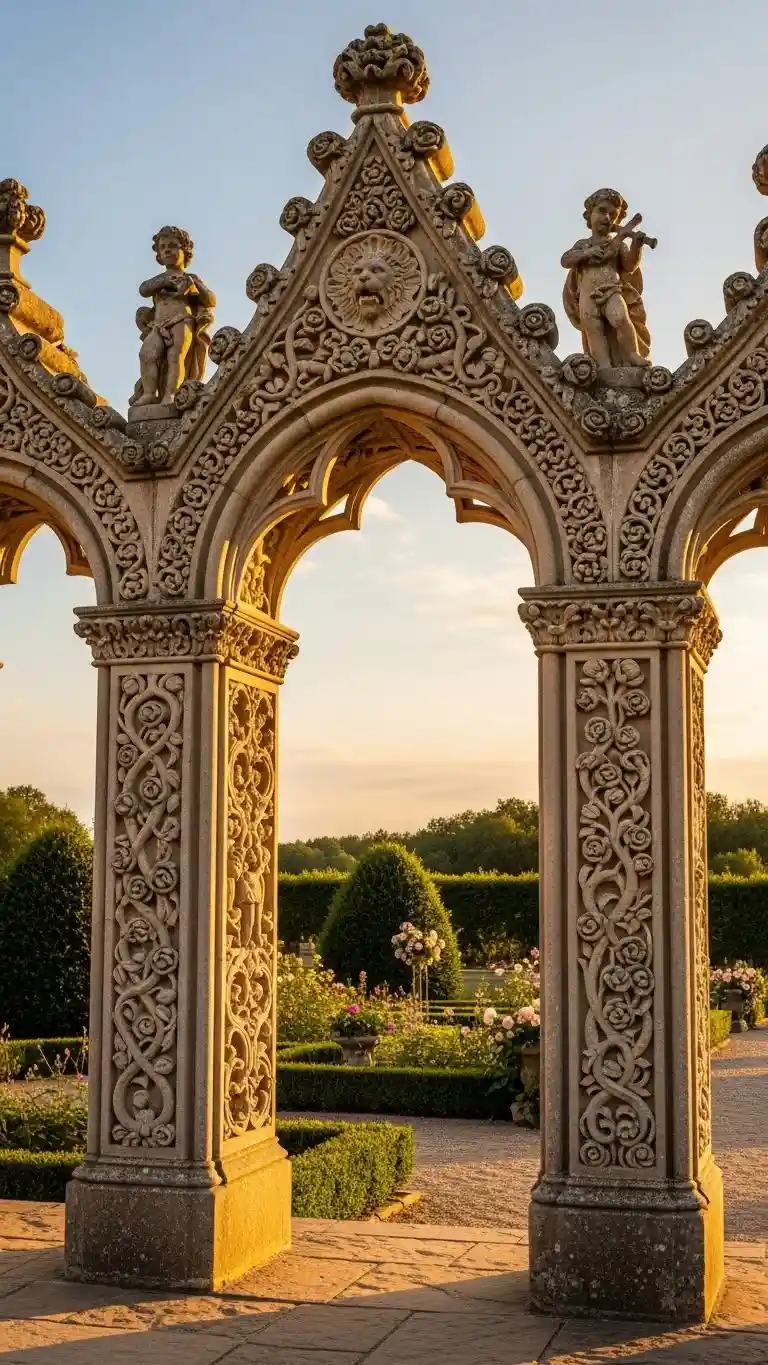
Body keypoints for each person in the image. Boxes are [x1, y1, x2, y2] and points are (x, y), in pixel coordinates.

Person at [561, 188, 653, 370]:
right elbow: (565, 260)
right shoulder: (583, 244)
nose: (607, 218)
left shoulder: (617, 244)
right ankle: (603, 366)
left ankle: (633, 353)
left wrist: (636, 245)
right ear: (589, 215)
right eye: (602, 211)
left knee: (621, 318)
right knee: (592, 327)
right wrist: (587, 253)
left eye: (613, 215)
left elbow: (629, 266)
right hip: (587, 294)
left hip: (612, 289)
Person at [131, 226, 215, 408]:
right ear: (159, 255)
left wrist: (194, 286)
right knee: (146, 354)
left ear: (185, 251)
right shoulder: (159, 280)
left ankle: (171, 394)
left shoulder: (190, 277)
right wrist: (164, 281)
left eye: (172, 246)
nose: (167, 250)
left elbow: (210, 300)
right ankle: (149, 394)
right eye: (163, 247)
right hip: (158, 325)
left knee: (176, 356)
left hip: (182, 320)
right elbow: (143, 289)